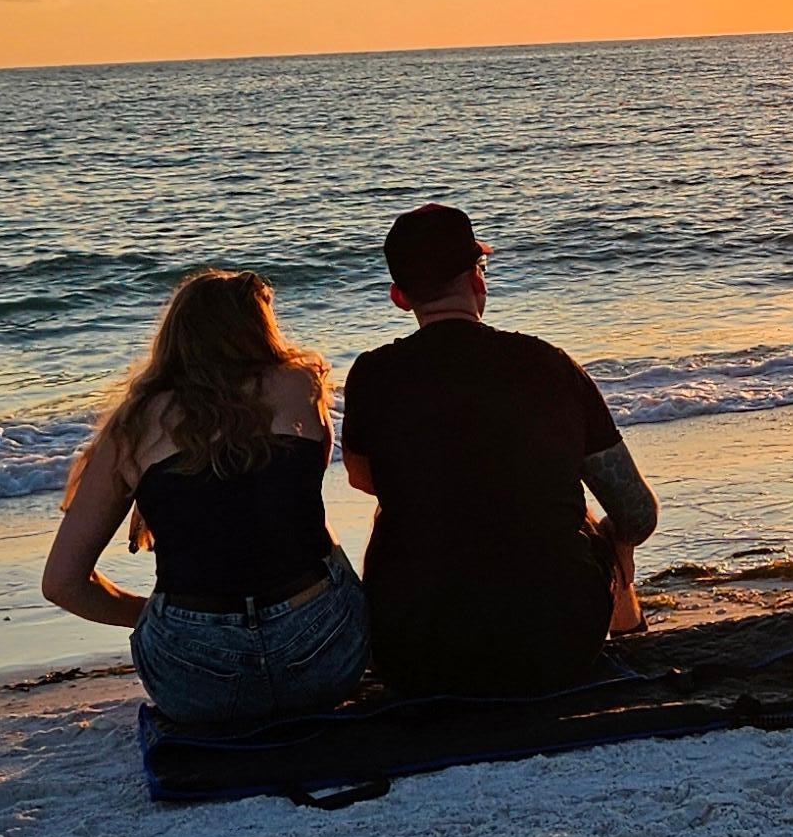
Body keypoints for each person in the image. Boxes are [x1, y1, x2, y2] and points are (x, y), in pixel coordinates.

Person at [340, 202, 658, 698]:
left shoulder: (371, 375)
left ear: (400, 297)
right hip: (555, 646)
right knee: (596, 521)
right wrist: (615, 539)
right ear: (477, 279)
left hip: (415, 655)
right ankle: (629, 633)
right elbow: (638, 512)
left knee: (395, 514)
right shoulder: (548, 366)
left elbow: (363, 478)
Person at [41, 268, 370, 724]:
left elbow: (62, 583)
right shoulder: (300, 385)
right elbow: (297, 494)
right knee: (317, 534)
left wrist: (157, 619)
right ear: (258, 329)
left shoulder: (133, 426)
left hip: (195, 683)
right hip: (323, 660)